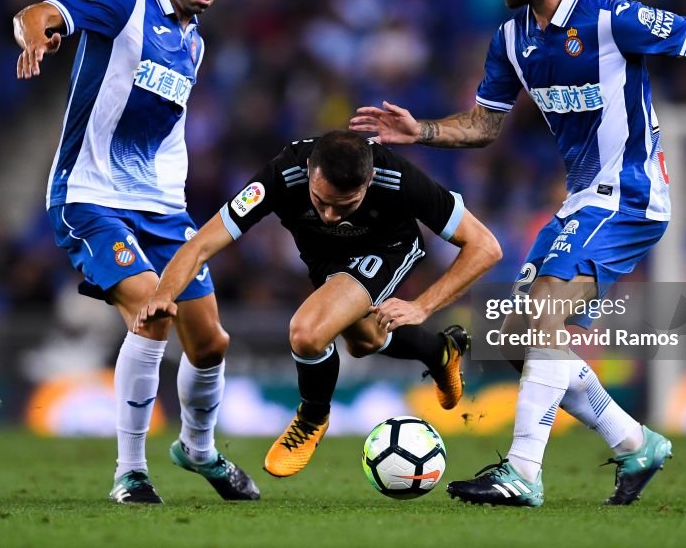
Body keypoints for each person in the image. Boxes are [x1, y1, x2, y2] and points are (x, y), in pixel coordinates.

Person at [350, 0, 686, 507]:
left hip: (629, 191)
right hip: (582, 199)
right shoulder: (512, 38)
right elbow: (486, 126)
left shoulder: (610, 18)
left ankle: (523, 471)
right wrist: (424, 132)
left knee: (543, 314)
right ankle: (635, 442)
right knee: (517, 333)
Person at [13, 0, 259, 504]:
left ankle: (198, 450)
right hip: (91, 198)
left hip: (164, 212)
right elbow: (40, 12)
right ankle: (131, 472)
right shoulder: (126, 0)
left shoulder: (193, 42)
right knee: (154, 311)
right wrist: (38, 36)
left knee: (212, 343)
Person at [135, 131, 502, 477]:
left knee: (307, 332)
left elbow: (485, 246)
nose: (330, 215)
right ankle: (441, 351)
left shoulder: (399, 178)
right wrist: (164, 294)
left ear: (370, 179)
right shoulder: (282, 174)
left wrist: (422, 306)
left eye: (346, 205)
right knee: (364, 341)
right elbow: (201, 244)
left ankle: (311, 418)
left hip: (384, 251)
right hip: (325, 261)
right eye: (321, 201)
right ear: (310, 170)